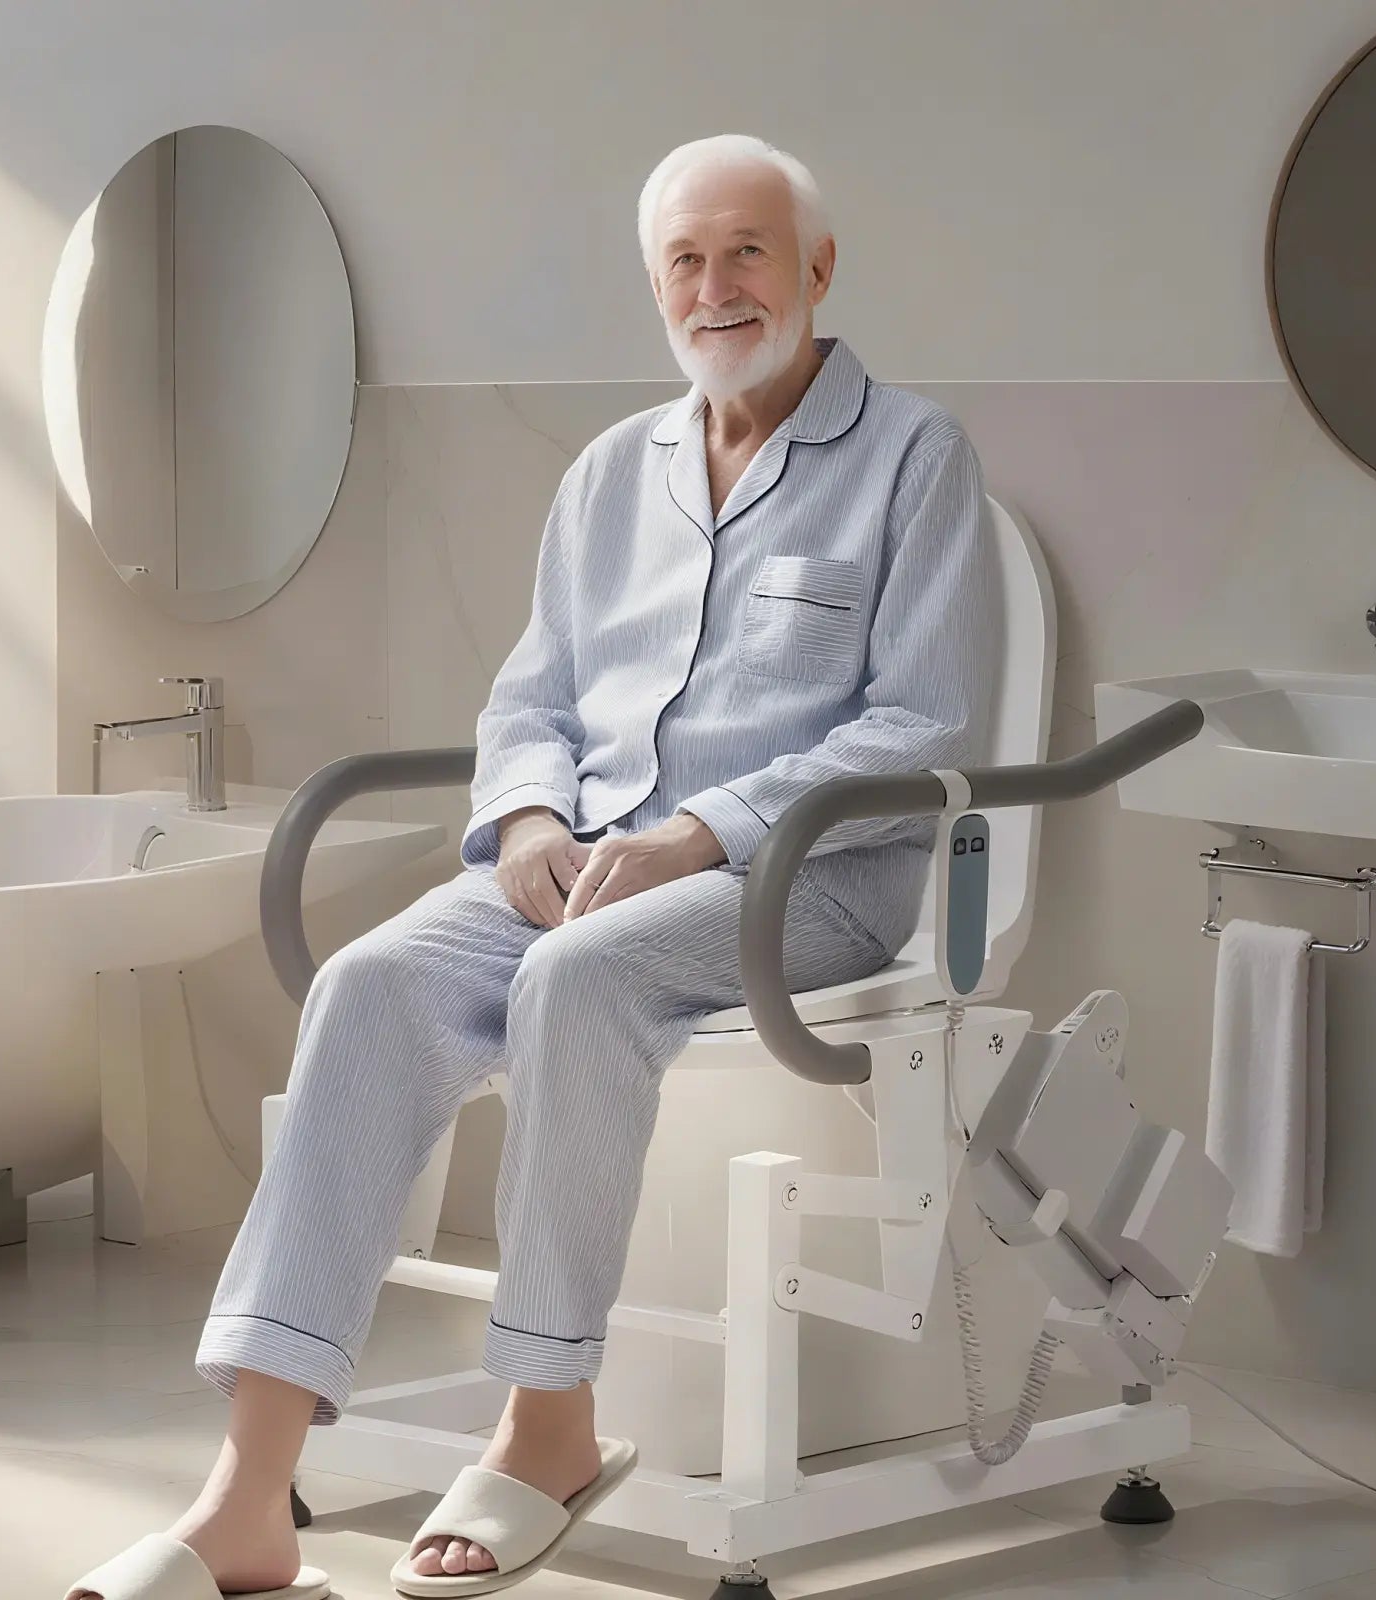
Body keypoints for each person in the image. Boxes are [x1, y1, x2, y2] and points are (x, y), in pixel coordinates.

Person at [66, 132, 994, 1599]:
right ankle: (244, 1493)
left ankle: (547, 1424)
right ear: (656, 288)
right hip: (584, 867)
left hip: (809, 880)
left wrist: (704, 831)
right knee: (370, 983)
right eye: (684, 262)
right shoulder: (609, 475)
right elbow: (532, 699)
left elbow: (924, 725)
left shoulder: (916, 458)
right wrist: (532, 820)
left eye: (748, 251)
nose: (717, 286)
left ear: (818, 267)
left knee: (580, 977)